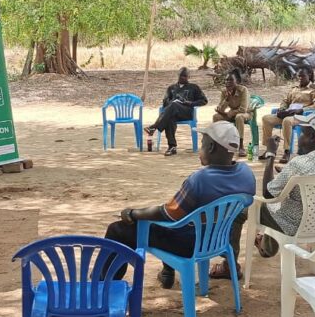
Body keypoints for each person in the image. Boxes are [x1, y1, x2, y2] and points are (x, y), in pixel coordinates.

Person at [106, 121, 256, 288]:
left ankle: (103, 285)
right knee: (172, 221)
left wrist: (133, 213)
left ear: (212, 147)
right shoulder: (246, 174)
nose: (200, 149)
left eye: (202, 144)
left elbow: (168, 214)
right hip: (219, 239)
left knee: (119, 229)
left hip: (190, 244)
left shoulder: (200, 180)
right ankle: (167, 271)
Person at [233, 113, 315, 269]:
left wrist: (271, 154)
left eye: (302, 134)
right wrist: (289, 176)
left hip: (294, 224)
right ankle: (266, 246)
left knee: (245, 210)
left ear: (312, 136)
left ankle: (230, 265)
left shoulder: (300, 164)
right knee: (287, 200)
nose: (299, 138)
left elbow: (268, 193)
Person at [259, 67, 315, 163]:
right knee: (266, 118)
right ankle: (269, 148)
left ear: (309, 75)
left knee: (287, 121)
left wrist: (301, 110)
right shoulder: (294, 88)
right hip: (289, 113)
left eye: (303, 76)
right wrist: (282, 109)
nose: (300, 78)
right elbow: (285, 100)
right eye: (299, 76)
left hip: (302, 116)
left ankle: (287, 151)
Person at [145, 67, 208, 156]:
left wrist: (189, 102)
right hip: (173, 112)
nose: (182, 78)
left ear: (189, 77)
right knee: (170, 118)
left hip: (186, 112)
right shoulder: (171, 88)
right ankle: (172, 147)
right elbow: (165, 102)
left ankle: (154, 127)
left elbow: (204, 101)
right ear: (178, 76)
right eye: (181, 76)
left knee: (174, 106)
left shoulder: (194, 87)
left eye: (185, 76)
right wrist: (173, 102)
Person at [212, 69, 251, 157]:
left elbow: (243, 109)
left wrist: (229, 114)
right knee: (216, 117)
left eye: (231, 80)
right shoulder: (224, 91)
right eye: (226, 80)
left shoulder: (243, 90)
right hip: (231, 114)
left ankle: (241, 145)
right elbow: (221, 109)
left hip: (245, 114)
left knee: (239, 117)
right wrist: (227, 99)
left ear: (236, 81)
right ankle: (219, 143)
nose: (228, 82)